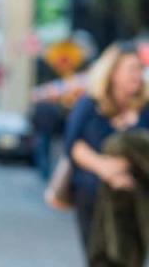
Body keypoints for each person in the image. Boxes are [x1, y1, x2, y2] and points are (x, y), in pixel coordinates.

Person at [64, 41, 149, 252]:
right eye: (132, 69)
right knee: (100, 257)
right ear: (113, 72)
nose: (137, 75)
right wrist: (107, 169)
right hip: (93, 197)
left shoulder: (145, 108)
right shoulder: (90, 104)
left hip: (135, 199)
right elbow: (73, 144)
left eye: (140, 69)